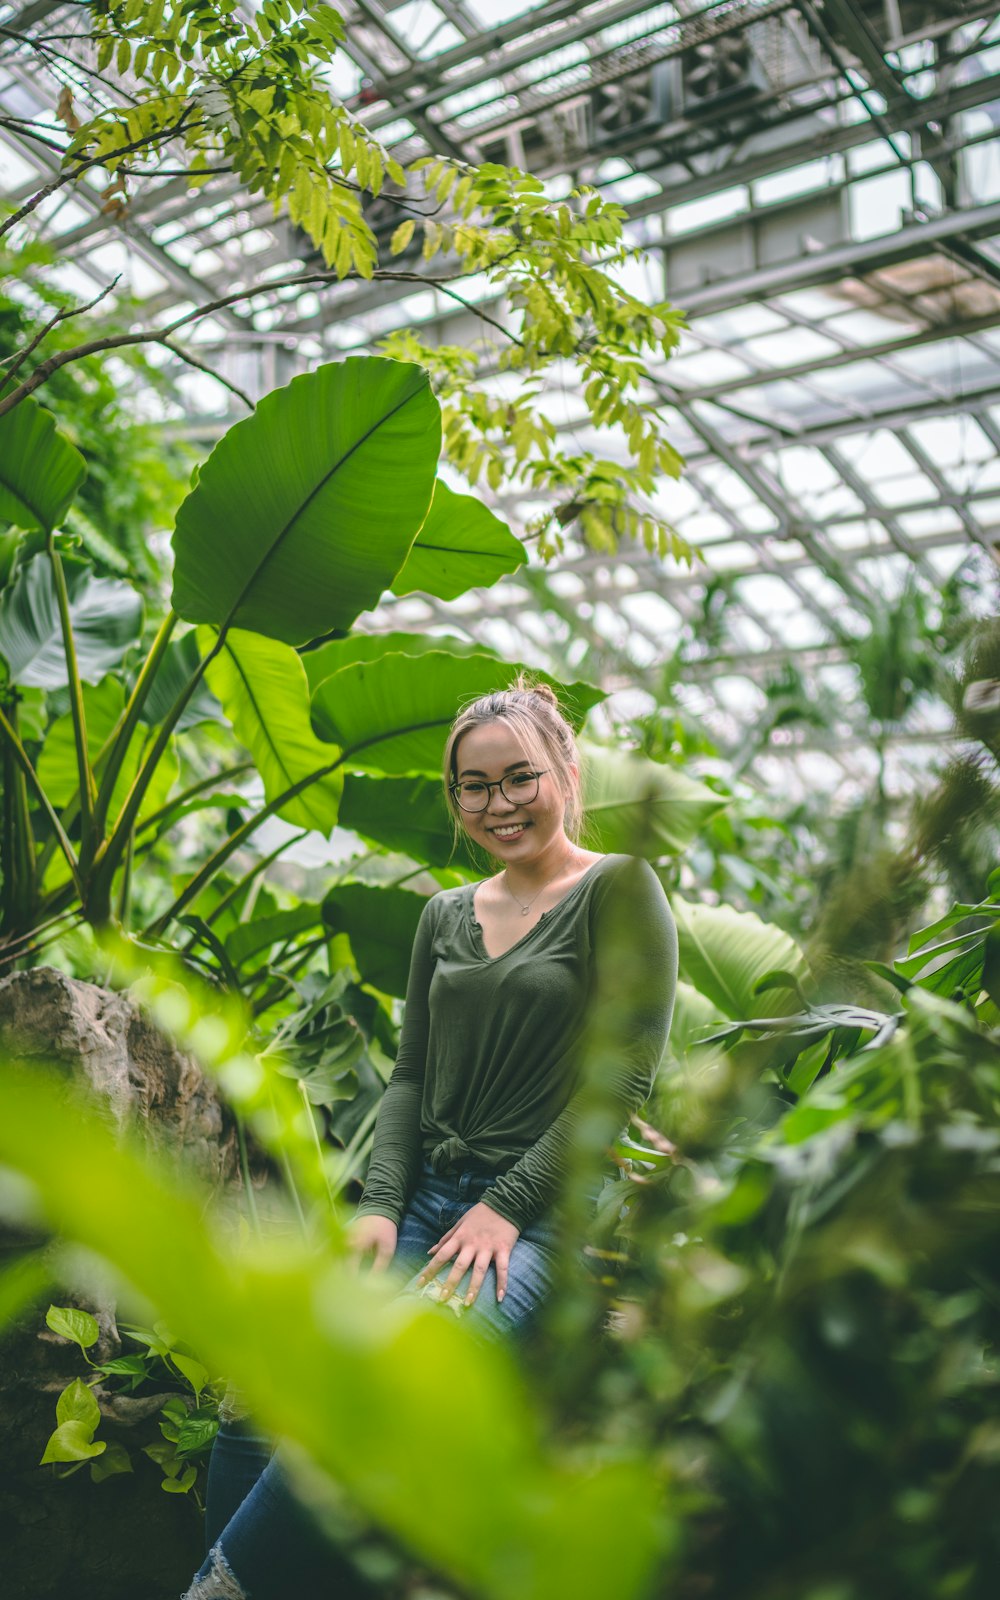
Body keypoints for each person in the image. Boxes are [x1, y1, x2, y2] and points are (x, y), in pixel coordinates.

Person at [184, 678, 677, 1600]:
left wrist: (505, 1208)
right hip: (423, 1207)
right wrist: (377, 1208)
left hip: (535, 1221)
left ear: (566, 771)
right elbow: (409, 1078)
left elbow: (626, 1082)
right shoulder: (444, 913)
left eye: (518, 777)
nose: (498, 805)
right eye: (473, 787)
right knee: (263, 1404)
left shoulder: (620, 890)